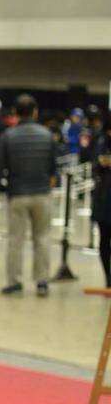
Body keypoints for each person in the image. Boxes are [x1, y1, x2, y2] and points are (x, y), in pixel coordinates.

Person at [0, 93, 57, 297]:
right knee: (42, 238)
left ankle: (15, 283)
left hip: (17, 194)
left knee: (15, 240)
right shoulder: (47, 135)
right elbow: (53, 167)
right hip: (42, 194)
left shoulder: (8, 136)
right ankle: (42, 282)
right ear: (35, 112)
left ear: (15, 113)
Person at [92, 115, 111, 288]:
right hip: (104, 198)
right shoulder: (101, 141)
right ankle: (108, 278)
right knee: (104, 239)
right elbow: (94, 165)